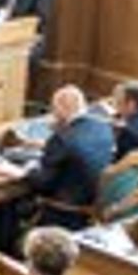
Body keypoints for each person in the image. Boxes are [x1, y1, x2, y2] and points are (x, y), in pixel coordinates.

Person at [26, 85, 112, 227]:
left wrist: (30, 170)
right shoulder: (103, 129)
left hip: (61, 214)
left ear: (64, 108)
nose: (53, 114)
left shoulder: (61, 139)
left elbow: (43, 183)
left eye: (54, 109)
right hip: (87, 211)